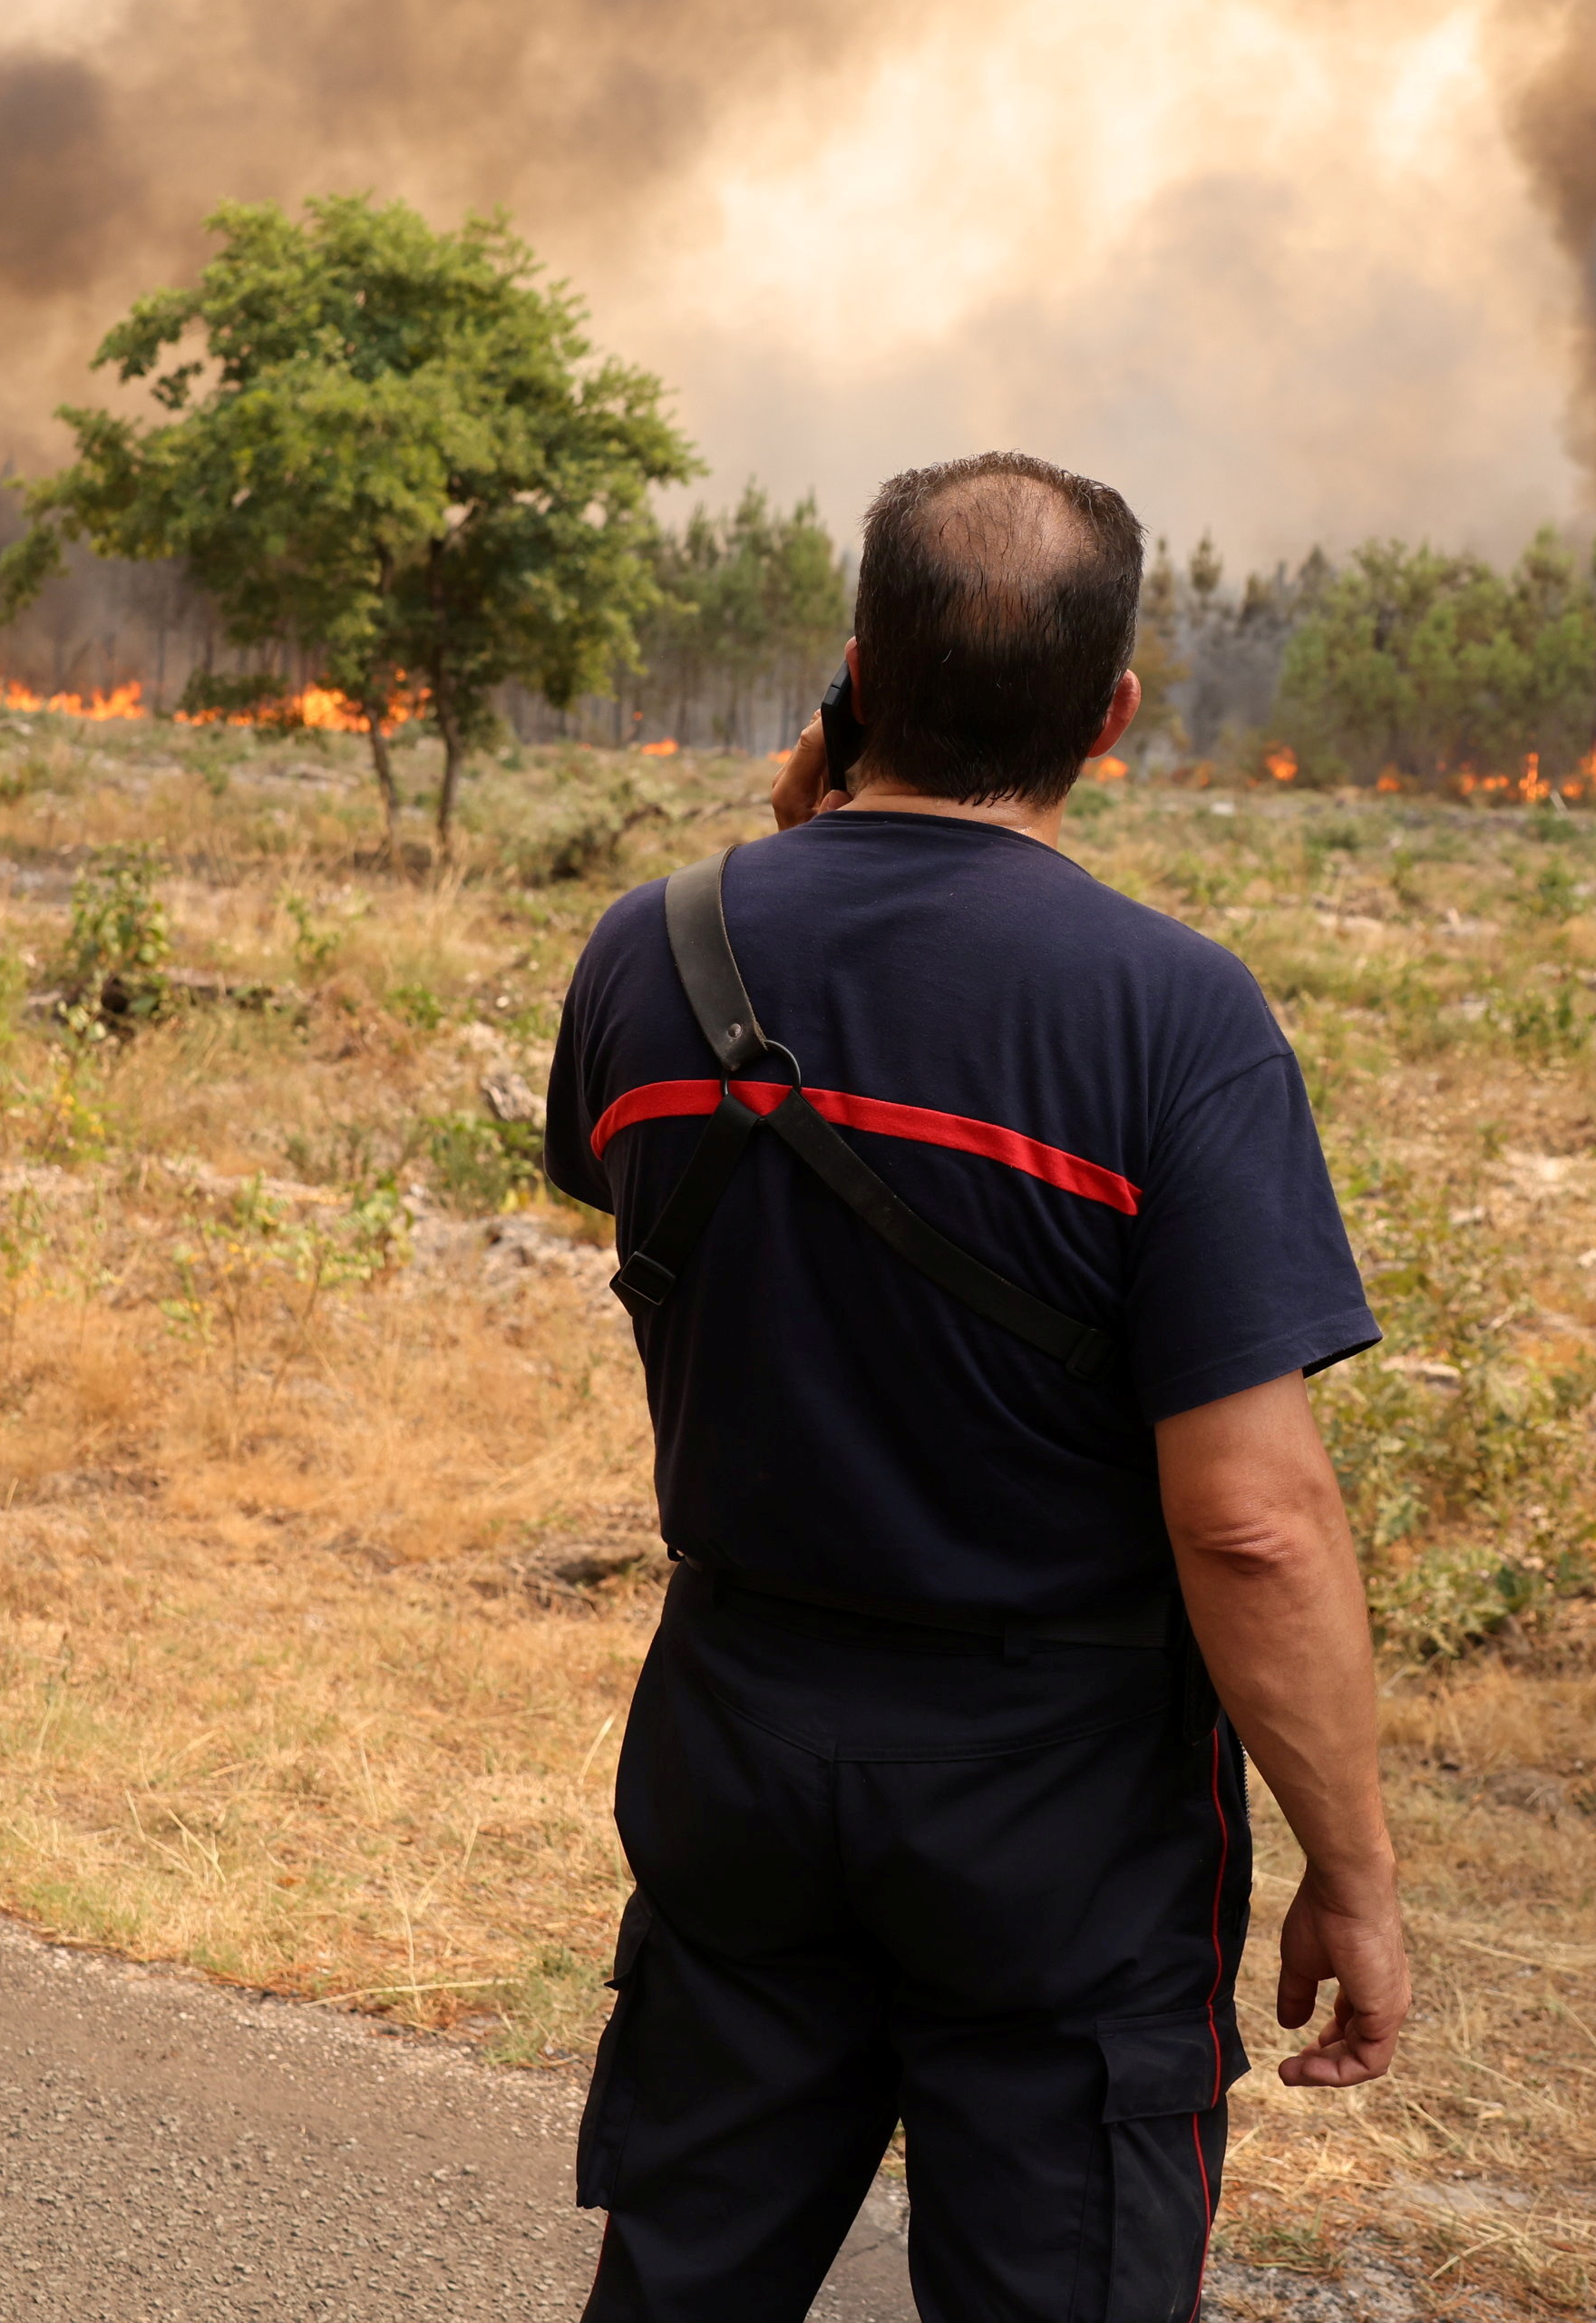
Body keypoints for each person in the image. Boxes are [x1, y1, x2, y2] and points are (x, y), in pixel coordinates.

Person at [539, 452, 1407, 2322]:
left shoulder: (652, 948)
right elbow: (1251, 1517)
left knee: (681, 2282)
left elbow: (694, 1211)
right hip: (1057, 1795)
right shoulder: (1175, 1016)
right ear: (1112, 714)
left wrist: (790, 857)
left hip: (736, 1735)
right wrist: (1352, 1863)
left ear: (853, 670)